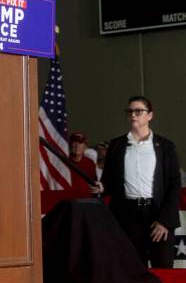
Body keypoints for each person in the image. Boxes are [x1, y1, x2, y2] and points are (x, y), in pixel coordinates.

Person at [97, 97, 181, 268]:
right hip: (127, 216)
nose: (133, 115)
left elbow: (174, 185)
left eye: (138, 111)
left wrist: (165, 220)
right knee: (132, 269)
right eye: (130, 111)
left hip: (157, 215)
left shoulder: (165, 146)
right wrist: (101, 187)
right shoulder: (116, 145)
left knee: (163, 269)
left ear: (150, 115)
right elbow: (109, 182)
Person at [63, 131, 98, 199]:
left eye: (80, 142)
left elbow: (94, 184)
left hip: (84, 199)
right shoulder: (63, 161)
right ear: (70, 144)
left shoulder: (90, 163)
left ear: (85, 146)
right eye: (74, 142)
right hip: (67, 198)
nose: (77, 145)